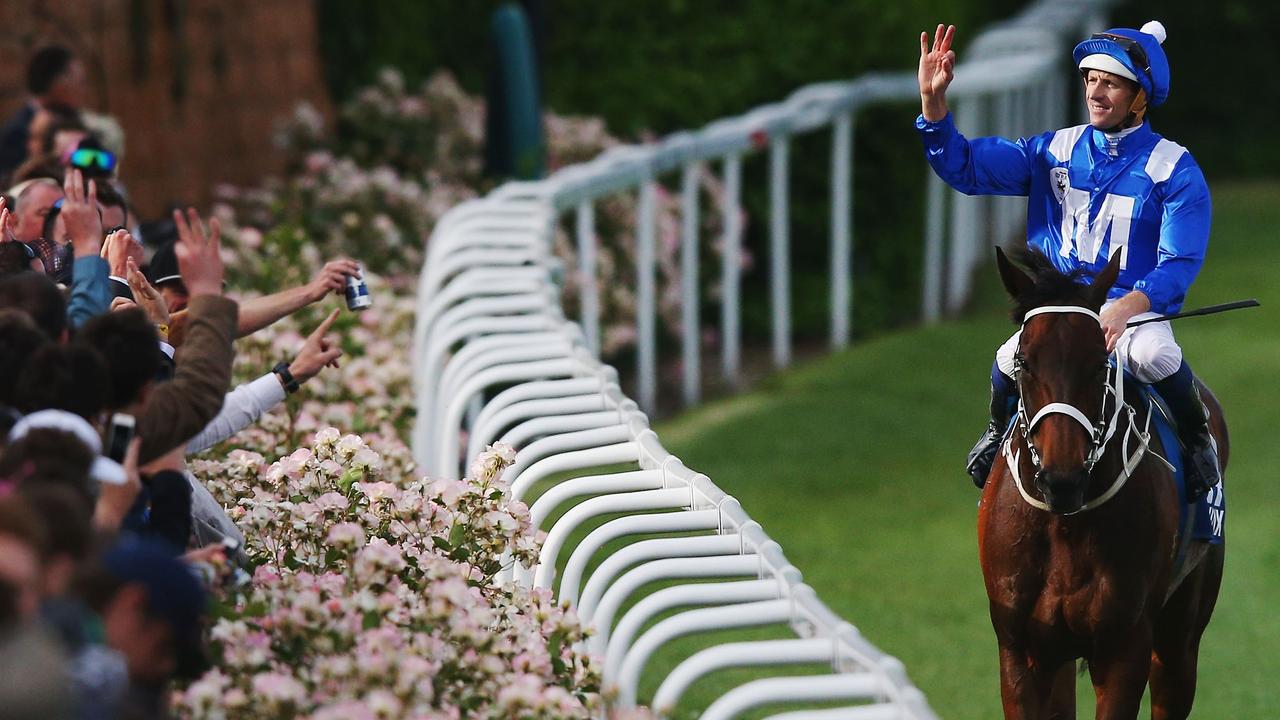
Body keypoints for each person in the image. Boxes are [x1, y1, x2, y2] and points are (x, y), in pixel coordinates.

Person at [916, 21, 1218, 498]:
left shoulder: (1175, 169)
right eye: (1090, 79)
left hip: (1129, 309)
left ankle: (1199, 444)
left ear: (1140, 97)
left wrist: (1127, 306)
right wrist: (934, 109)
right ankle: (998, 434)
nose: (1095, 93)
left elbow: (1178, 264)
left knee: (1156, 354)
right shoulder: (1052, 150)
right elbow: (968, 168)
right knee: (1006, 358)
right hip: (1060, 306)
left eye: (1111, 83)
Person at [0, 47, 86, 182]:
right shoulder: (17, 131)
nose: (83, 90)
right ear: (58, 83)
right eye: (80, 83)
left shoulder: (80, 122)